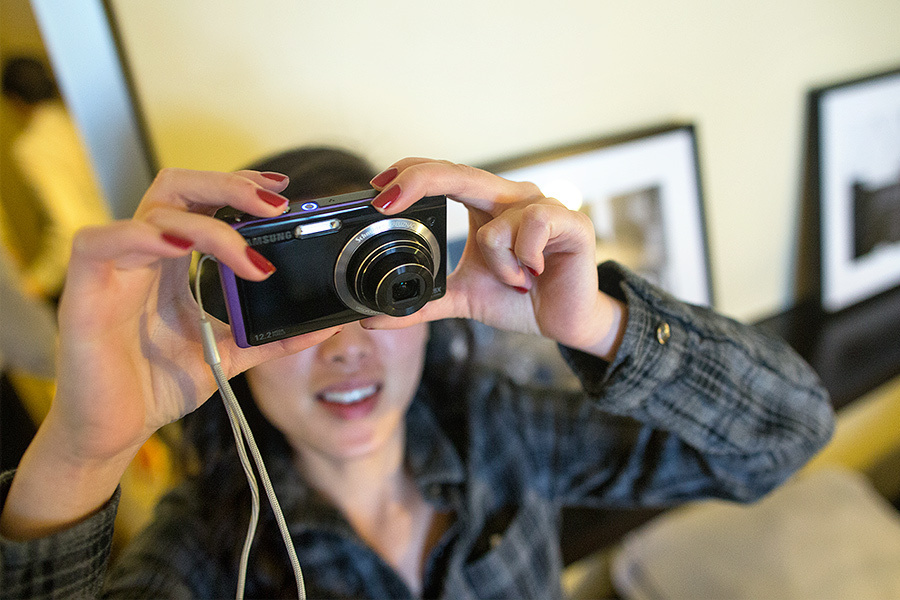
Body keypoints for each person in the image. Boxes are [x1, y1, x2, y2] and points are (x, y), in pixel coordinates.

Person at [0, 147, 834, 598]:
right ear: (235, 332)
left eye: (370, 291)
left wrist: (599, 325)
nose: (345, 346)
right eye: (300, 305)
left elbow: (784, 440)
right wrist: (82, 453)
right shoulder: (212, 554)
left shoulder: (502, 434)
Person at [1, 56, 112, 302]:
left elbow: (68, 226)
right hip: (127, 253)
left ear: (14, 99)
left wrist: (35, 284)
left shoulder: (33, 146)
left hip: (95, 271)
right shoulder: (75, 123)